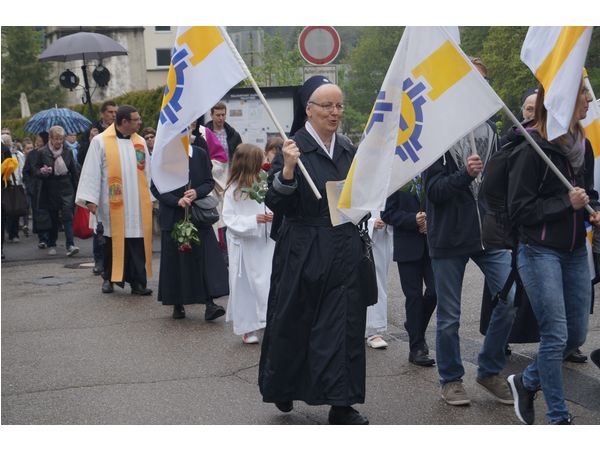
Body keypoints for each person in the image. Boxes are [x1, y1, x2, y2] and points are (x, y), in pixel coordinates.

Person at [258, 76, 374, 425]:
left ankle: (342, 402)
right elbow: (276, 200)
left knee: (345, 324)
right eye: (327, 106)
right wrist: (289, 169)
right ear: (309, 109)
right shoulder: (293, 149)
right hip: (304, 248)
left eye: (339, 105)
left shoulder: (349, 150)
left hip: (344, 244)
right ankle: (283, 386)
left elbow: (359, 198)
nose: (334, 112)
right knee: (296, 321)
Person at [424, 57, 517, 407]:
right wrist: (465, 174)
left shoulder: (490, 131)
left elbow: (499, 187)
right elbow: (433, 192)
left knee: (508, 300)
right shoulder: (437, 134)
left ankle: (489, 370)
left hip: (489, 235)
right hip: (449, 237)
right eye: (471, 82)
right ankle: (450, 380)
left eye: (483, 82)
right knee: (449, 318)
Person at [507, 81, 598, 425]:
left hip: (575, 251)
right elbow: (519, 210)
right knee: (555, 335)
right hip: (539, 251)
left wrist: (593, 207)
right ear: (562, 100)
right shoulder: (533, 147)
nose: (589, 99)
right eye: (582, 93)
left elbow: (586, 192)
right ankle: (558, 417)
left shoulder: (583, 144)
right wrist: (566, 203)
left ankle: (527, 382)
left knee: (575, 336)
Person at [150, 125, 228, 321]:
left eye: (185, 131)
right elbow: (156, 187)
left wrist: (197, 192)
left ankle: (210, 303)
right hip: (174, 215)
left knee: (203, 259)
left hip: (197, 214)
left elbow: (209, 182)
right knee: (176, 261)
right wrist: (177, 201)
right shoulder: (163, 156)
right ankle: (177, 303)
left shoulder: (200, 154)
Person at [76, 105, 153, 296]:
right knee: (110, 243)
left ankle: (138, 283)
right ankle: (109, 279)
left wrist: (151, 198)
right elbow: (92, 171)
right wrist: (90, 200)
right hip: (111, 203)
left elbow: (147, 172)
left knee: (136, 243)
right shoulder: (100, 141)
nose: (140, 122)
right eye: (136, 120)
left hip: (136, 203)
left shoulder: (140, 142)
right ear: (124, 122)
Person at [222, 143, 275, 344]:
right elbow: (229, 219)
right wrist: (253, 220)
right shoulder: (233, 190)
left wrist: (270, 216)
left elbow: (270, 206)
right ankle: (248, 327)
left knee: (267, 283)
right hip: (245, 245)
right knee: (246, 287)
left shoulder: (263, 183)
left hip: (265, 242)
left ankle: (268, 320)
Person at [381, 179, 437, 366]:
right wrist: (412, 220)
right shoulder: (398, 176)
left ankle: (415, 325)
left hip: (432, 244)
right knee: (413, 296)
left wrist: (431, 222)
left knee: (435, 291)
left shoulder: (430, 169)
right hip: (407, 245)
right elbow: (388, 213)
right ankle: (417, 348)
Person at [79, 100, 118, 275]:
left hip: (117, 184)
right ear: (103, 114)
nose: (113, 115)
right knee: (99, 226)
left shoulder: (121, 131)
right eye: (110, 112)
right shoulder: (93, 132)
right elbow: (82, 158)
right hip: (101, 186)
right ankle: (99, 260)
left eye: (115, 112)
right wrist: (89, 141)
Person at [35, 126, 80, 256]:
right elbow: (35, 170)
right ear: (50, 138)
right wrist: (42, 171)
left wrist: (78, 189)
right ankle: (52, 243)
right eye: (56, 139)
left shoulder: (67, 151)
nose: (59, 142)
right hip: (50, 186)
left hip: (66, 187)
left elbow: (74, 171)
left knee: (68, 216)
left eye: (61, 139)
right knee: (54, 218)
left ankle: (70, 245)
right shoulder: (42, 152)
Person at [364, 210, 393, 350]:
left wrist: (390, 217)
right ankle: (370, 329)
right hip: (361, 234)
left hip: (383, 235)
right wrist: (369, 223)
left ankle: (373, 329)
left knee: (379, 281)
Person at [1, 133, 25, 243]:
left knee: (14, 209)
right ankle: (10, 233)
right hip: (6, 184)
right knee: (8, 210)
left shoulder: (16, 154)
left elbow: (20, 168)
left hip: (13, 184)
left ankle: (13, 233)